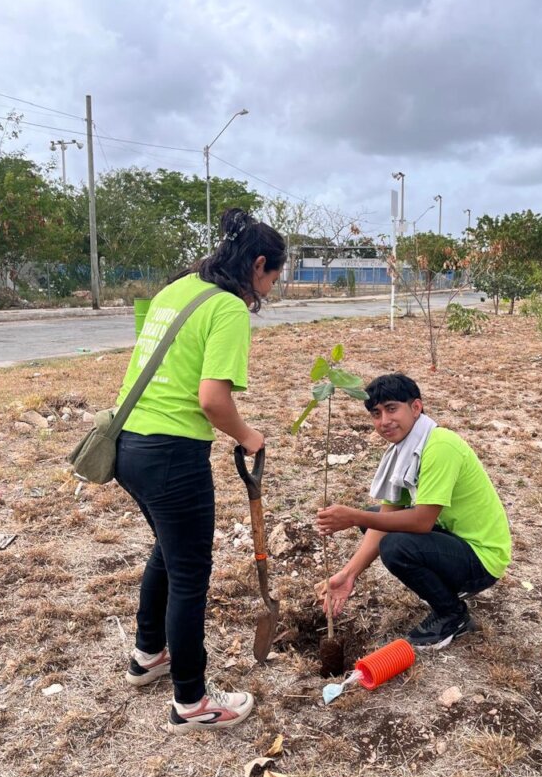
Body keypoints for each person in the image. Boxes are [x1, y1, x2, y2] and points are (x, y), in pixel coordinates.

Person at [114, 208, 285, 732]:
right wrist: (249, 436)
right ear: (257, 264)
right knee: (190, 576)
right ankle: (191, 701)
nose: (270, 291)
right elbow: (212, 399)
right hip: (172, 455)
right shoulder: (228, 308)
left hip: (127, 444)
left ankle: (149, 655)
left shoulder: (178, 289)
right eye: (273, 279)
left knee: (167, 553)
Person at [315, 373, 511, 649]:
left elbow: (421, 522)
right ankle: (444, 584)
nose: (384, 421)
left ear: (416, 407)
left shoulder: (439, 446)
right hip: (456, 540)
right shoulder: (406, 449)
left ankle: (452, 615)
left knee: (395, 545)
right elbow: (384, 517)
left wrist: (353, 516)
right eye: (376, 413)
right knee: (379, 520)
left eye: (392, 408)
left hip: (482, 558)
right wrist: (348, 575)